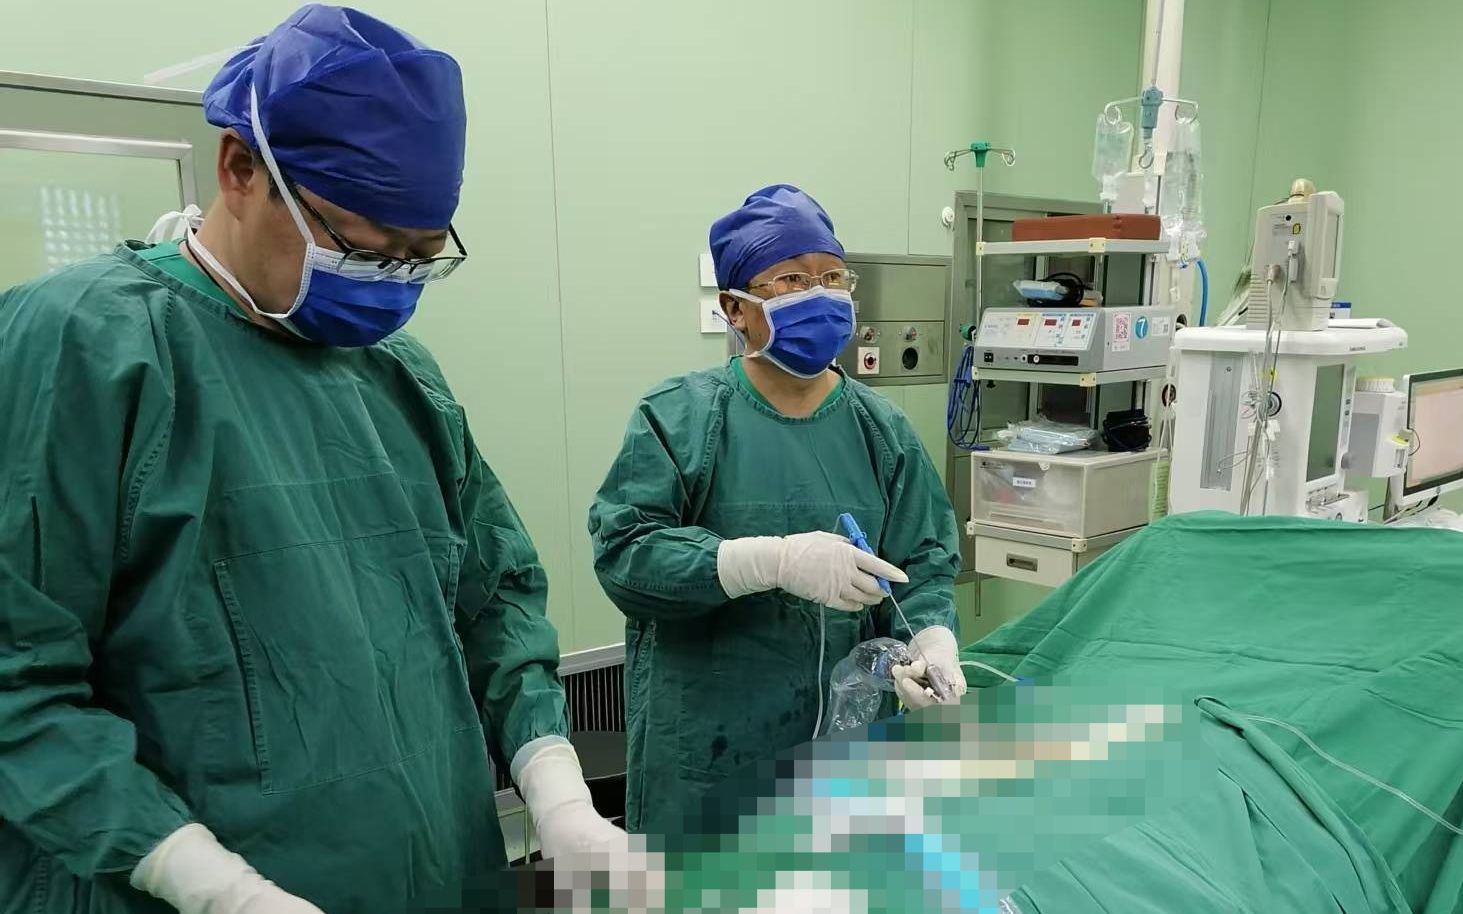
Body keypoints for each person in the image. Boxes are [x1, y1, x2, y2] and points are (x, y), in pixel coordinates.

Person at [0, 7, 625, 913]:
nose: (388, 281)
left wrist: (557, 791)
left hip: (436, 871)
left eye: (419, 257)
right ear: (239, 170)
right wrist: (211, 886)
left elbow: (492, 602)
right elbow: (18, 678)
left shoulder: (398, 376)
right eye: (362, 247)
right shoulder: (84, 347)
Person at [588, 184, 964, 836]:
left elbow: (922, 564)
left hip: (847, 755)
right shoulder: (679, 418)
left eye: (832, 277)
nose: (819, 293)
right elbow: (626, 556)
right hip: (707, 759)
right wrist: (765, 562)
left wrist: (930, 640)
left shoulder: (883, 431)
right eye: (791, 279)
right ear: (734, 308)